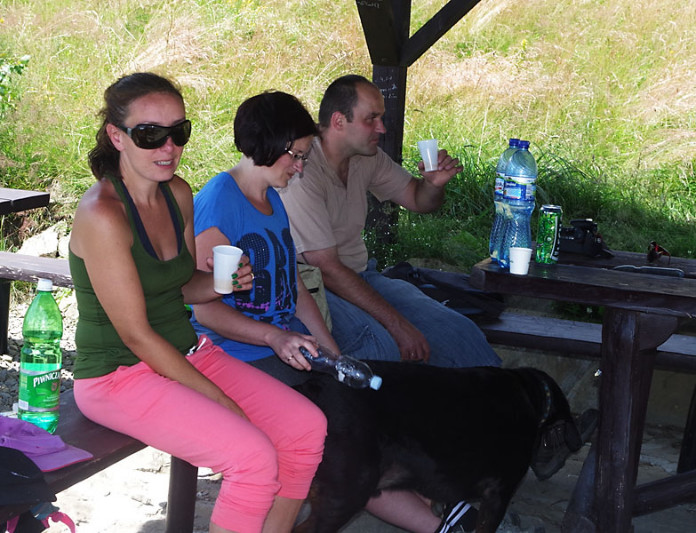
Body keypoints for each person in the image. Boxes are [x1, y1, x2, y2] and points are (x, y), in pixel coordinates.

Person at [191, 90, 477, 533]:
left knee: (369, 407)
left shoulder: (272, 198)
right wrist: (275, 337)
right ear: (269, 144)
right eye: (297, 156)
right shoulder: (219, 202)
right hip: (238, 353)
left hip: (283, 346)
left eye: (305, 157)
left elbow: (293, 286)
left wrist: (334, 355)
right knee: (340, 433)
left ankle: (435, 511)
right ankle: (435, 521)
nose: (301, 168)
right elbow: (204, 312)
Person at [68, 72, 326, 533]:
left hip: (185, 351)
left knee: (306, 428)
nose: (168, 147)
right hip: (118, 375)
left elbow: (183, 287)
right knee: (252, 457)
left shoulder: (178, 194)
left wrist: (223, 284)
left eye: (178, 132)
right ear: (117, 137)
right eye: (150, 134)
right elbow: (136, 335)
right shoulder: (102, 214)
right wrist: (219, 399)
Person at [279, 74, 501, 369]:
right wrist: (397, 324)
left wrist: (433, 184)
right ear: (338, 121)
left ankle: (505, 397)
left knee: (460, 333)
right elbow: (326, 268)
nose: (382, 128)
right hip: (311, 287)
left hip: (359, 276)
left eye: (381, 118)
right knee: (382, 349)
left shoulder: (365, 156)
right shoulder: (302, 169)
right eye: (371, 119)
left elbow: (419, 200)